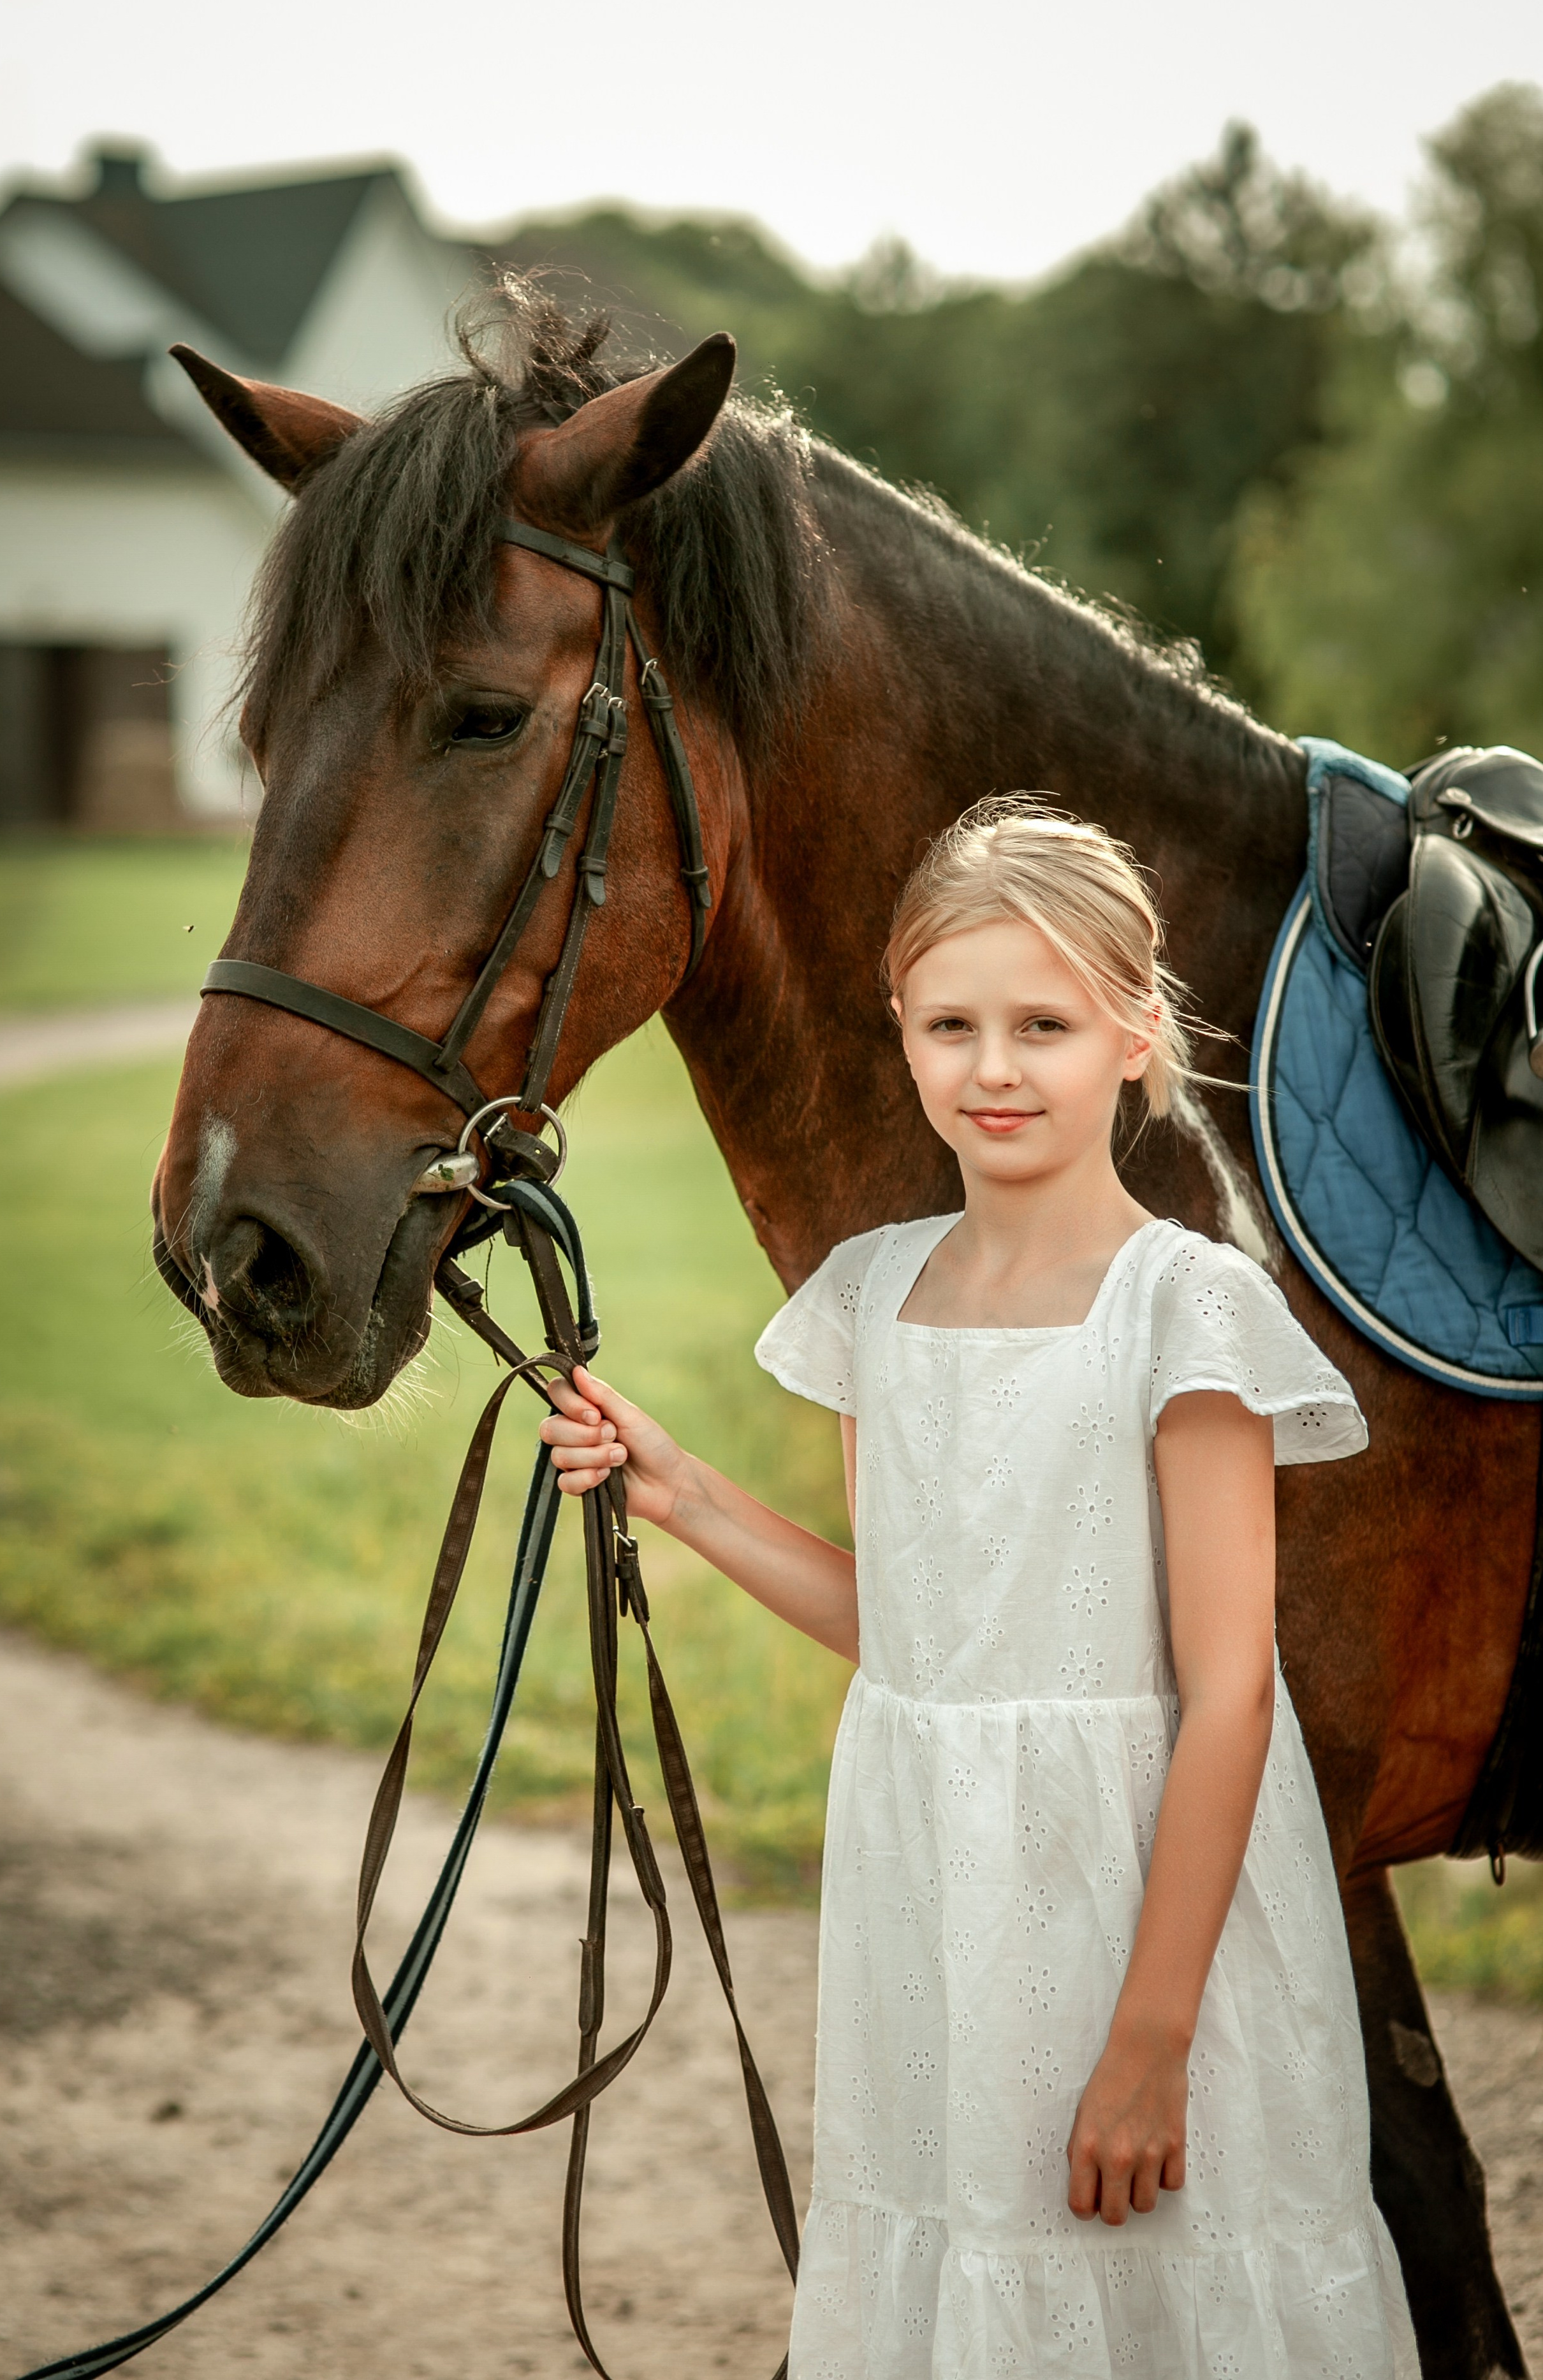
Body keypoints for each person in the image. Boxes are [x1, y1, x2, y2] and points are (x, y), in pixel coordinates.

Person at [541, 796, 1419, 2377]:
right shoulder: (872, 1296)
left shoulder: (1183, 1310)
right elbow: (912, 1637)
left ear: (1132, 1037)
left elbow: (1228, 1695)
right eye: (950, 1024)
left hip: (1135, 1903)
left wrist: (1150, 2039)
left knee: (1155, 2276)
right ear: (899, 1028)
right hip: (934, 1900)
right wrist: (682, 1495)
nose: (992, 1068)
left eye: (1042, 1026)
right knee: (971, 2266)